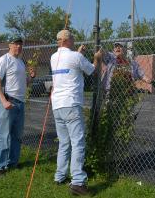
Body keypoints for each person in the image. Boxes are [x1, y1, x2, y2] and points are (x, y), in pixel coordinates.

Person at [50, 29, 102, 196]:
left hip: (57, 105)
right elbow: (92, 70)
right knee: (77, 142)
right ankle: (78, 182)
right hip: (71, 104)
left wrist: (78, 53)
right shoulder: (76, 57)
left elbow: (69, 67)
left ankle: (60, 176)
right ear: (67, 40)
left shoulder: (53, 57)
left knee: (64, 143)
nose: (74, 40)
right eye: (72, 37)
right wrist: (97, 58)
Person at [0, 37, 35, 176]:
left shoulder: (21, 62)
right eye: (16, 44)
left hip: (20, 103)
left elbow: (25, 83)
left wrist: (31, 77)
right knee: (3, 135)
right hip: (9, 102)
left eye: (20, 44)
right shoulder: (4, 59)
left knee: (17, 136)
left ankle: (13, 163)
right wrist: (4, 101)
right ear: (10, 45)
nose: (18, 46)